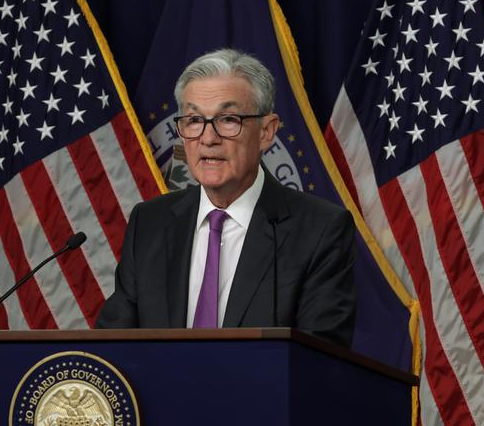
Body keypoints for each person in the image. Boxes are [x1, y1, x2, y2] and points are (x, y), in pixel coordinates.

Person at [96, 48, 356, 346]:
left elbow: (319, 359)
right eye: (194, 120)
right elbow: (111, 345)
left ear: (267, 132)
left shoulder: (320, 229)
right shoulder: (150, 223)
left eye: (228, 119)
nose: (208, 138)